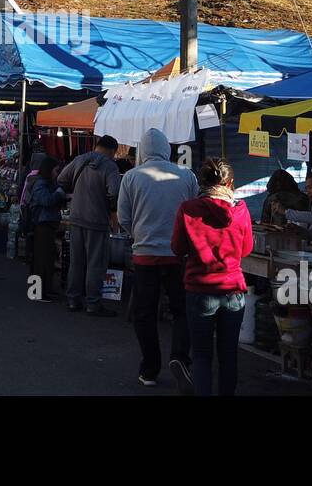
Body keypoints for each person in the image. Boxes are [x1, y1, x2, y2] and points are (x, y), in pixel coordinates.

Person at [117, 128, 199, 388]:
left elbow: (123, 217)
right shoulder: (187, 175)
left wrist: (138, 235)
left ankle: (150, 368)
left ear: (142, 150)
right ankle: (180, 357)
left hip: (145, 256)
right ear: (167, 148)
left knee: (145, 313)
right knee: (182, 310)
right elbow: (194, 212)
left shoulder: (130, 177)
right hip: (178, 256)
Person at [171, 158, 254, 397]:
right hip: (233, 290)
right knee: (228, 354)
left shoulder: (188, 209)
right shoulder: (241, 210)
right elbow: (246, 249)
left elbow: (177, 247)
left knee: (201, 355)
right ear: (230, 183)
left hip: (199, 290)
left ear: (201, 182)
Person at [58, 135, 122, 316]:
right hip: (97, 221)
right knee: (96, 263)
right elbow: (115, 192)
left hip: (76, 218)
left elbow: (62, 178)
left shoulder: (80, 159)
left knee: (76, 262)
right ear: (112, 150)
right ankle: (93, 303)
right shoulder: (110, 166)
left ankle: (73, 300)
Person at [23, 155, 65, 303]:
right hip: (42, 225)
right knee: (41, 260)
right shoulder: (41, 184)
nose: (57, 173)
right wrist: (59, 194)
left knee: (47, 259)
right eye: (55, 170)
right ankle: (37, 292)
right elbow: (46, 200)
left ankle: (45, 289)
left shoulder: (46, 183)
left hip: (47, 225)